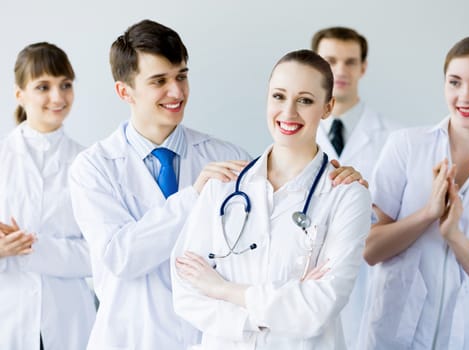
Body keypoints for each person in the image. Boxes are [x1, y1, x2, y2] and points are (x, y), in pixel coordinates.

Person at [68, 20, 363, 349]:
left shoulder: (228, 158)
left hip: (218, 338)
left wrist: (337, 176)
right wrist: (193, 196)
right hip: (135, 338)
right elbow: (119, 257)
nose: (177, 92)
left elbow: (279, 211)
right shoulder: (94, 166)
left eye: (182, 76)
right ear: (125, 91)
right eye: (159, 81)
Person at [171, 49, 372, 349]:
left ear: (327, 107)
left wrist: (223, 289)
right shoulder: (223, 188)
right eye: (279, 96)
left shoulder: (346, 196)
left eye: (304, 100)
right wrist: (268, 315)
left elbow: (320, 306)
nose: (288, 113)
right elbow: (187, 293)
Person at [359, 36, 469, 349]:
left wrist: (454, 236)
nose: (465, 95)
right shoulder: (406, 146)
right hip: (394, 336)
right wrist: (428, 214)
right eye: (455, 82)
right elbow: (369, 249)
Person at [0, 42, 96, 350]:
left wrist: (33, 248)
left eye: (65, 85)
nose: (58, 97)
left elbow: (100, 253)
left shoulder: (89, 163)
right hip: (9, 317)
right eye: (43, 86)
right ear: (20, 94)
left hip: (68, 319)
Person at [311, 26, 398, 347]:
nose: (340, 70)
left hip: (372, 286)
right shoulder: (293, 137)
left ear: (363, 67)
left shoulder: (394, 139)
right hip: (310, 289)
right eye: (330, 60)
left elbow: (397, 223)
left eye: (350, 61)